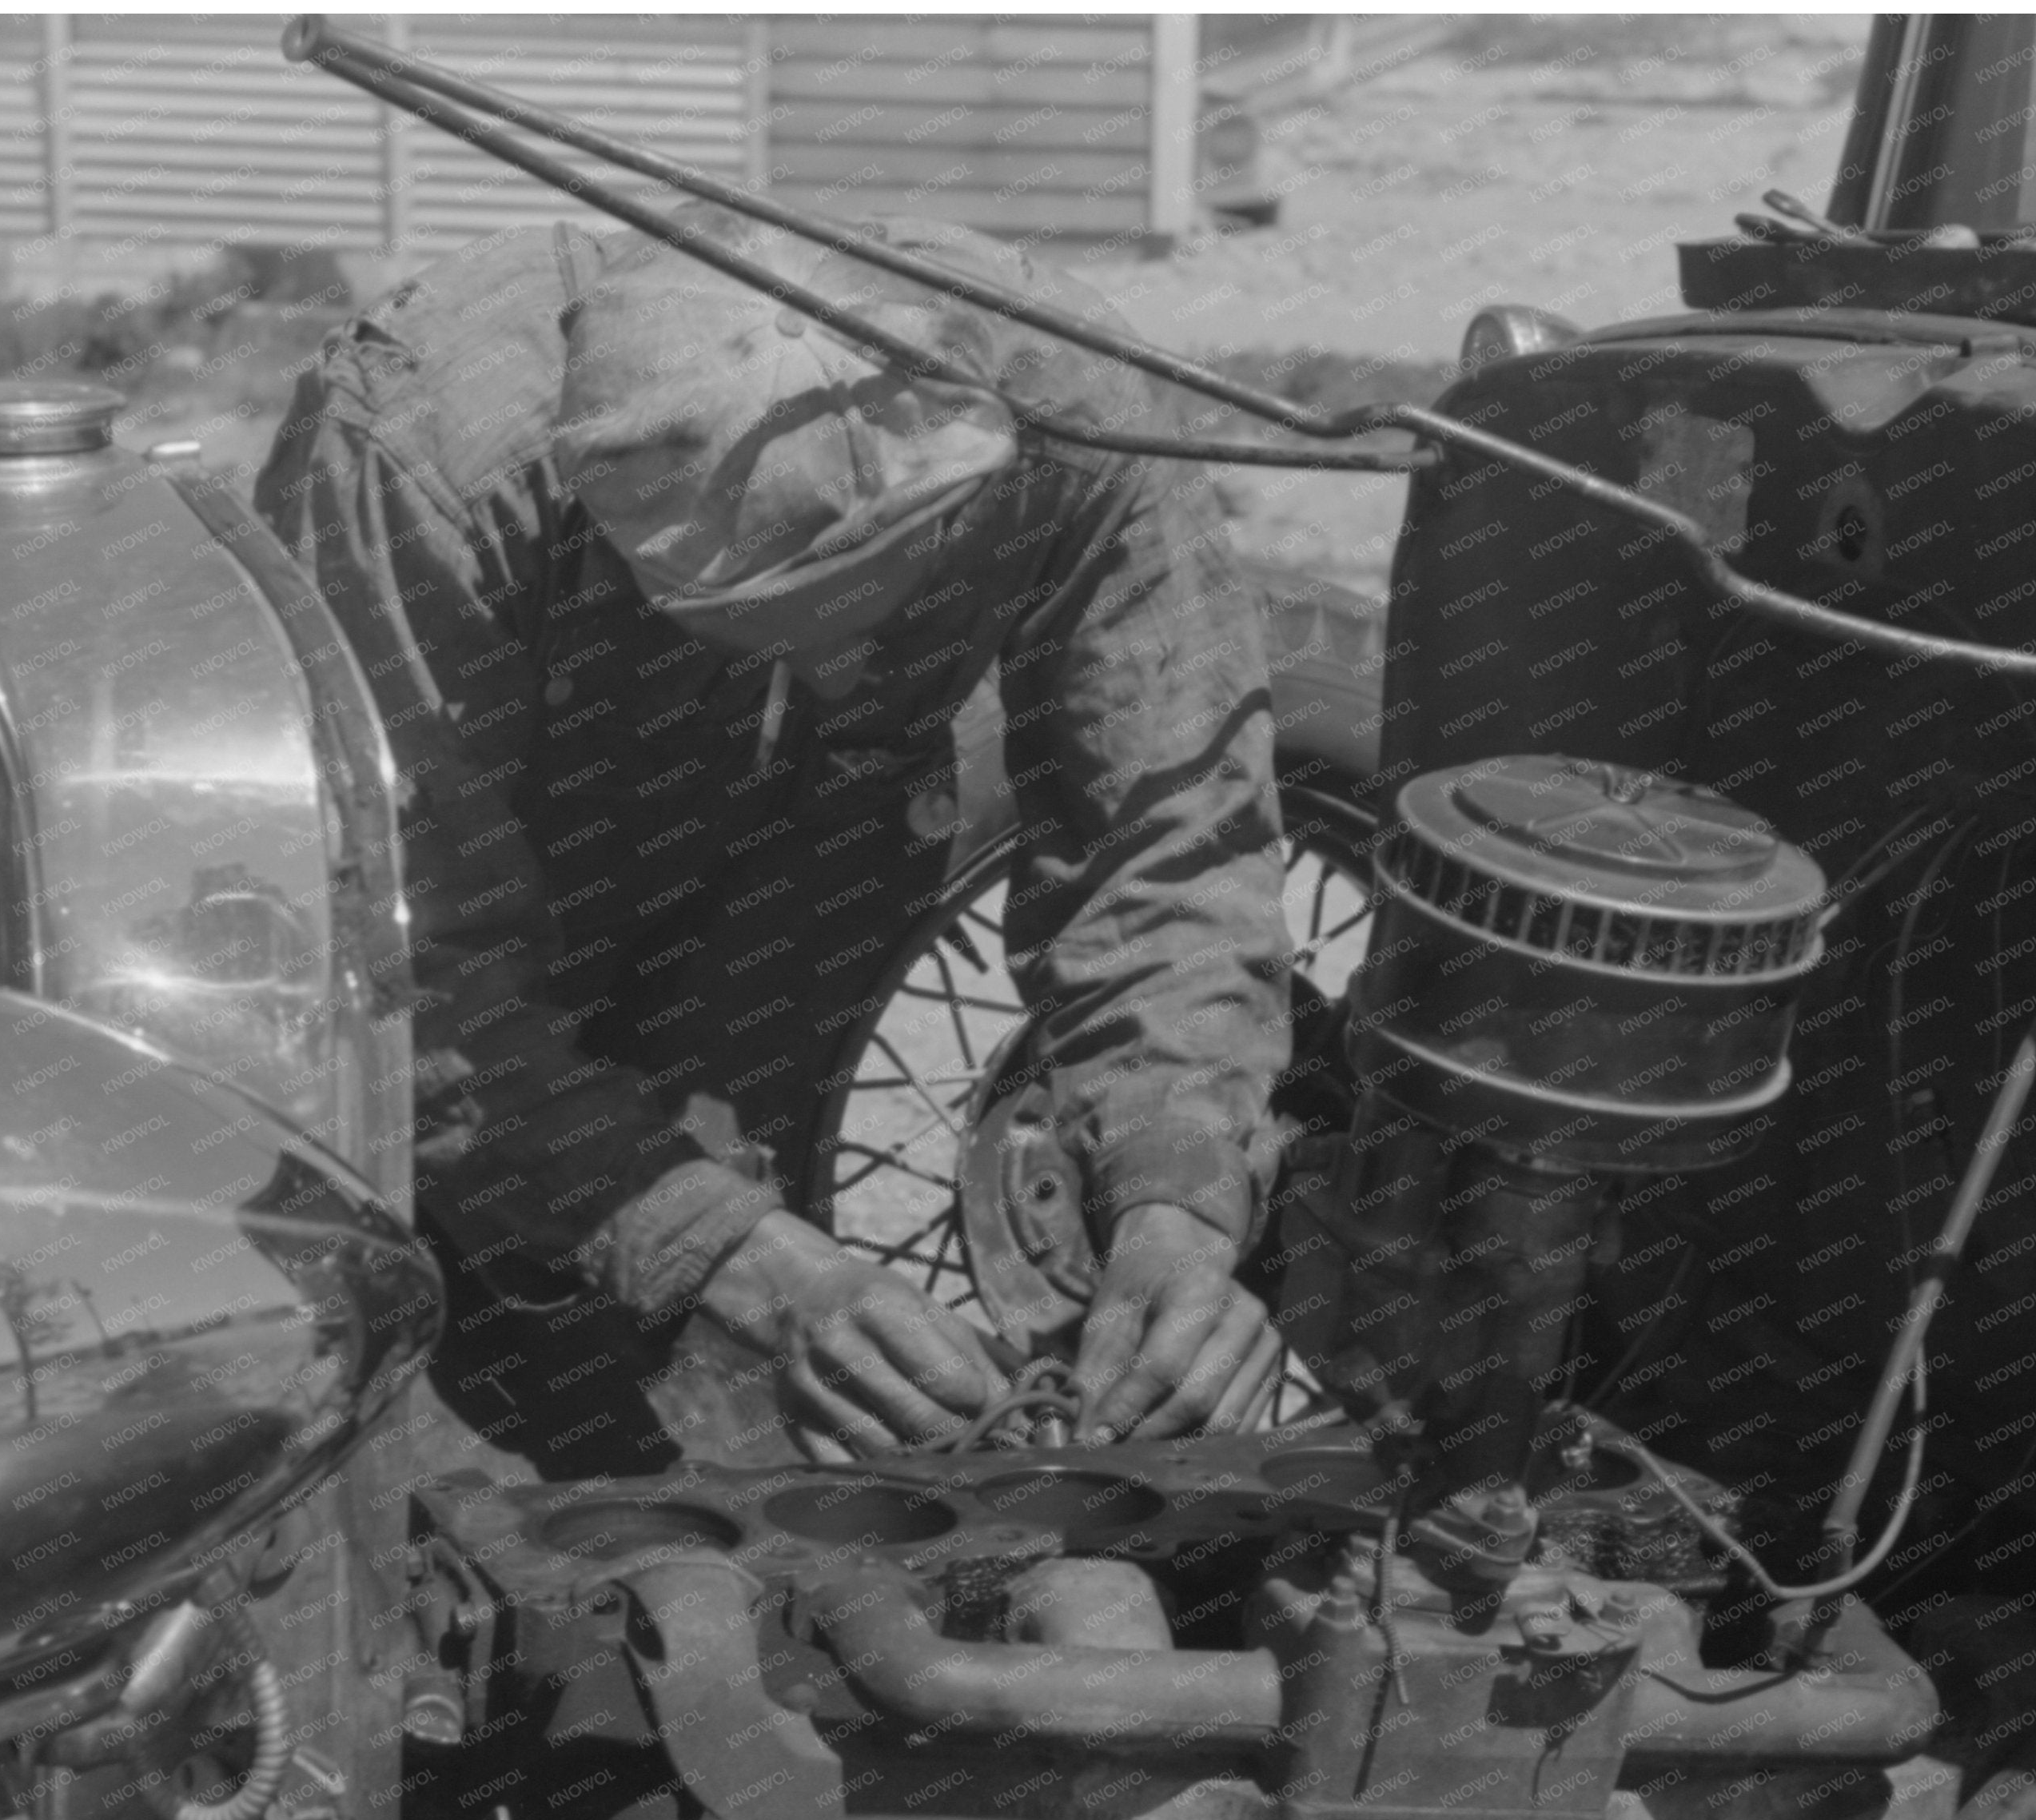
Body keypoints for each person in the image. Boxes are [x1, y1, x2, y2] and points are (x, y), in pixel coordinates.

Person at [257, 202, 1293, 1464]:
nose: (852, 672)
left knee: (726, 1417)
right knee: (418, 1416)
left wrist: (1177, 1190)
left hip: (814, 857)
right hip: (520, 846)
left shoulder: (1077, 409)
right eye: (784, 631)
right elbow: (404, 975)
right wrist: (718, 1252)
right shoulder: (418, 471)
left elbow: (1169, 838)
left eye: (883, 612)